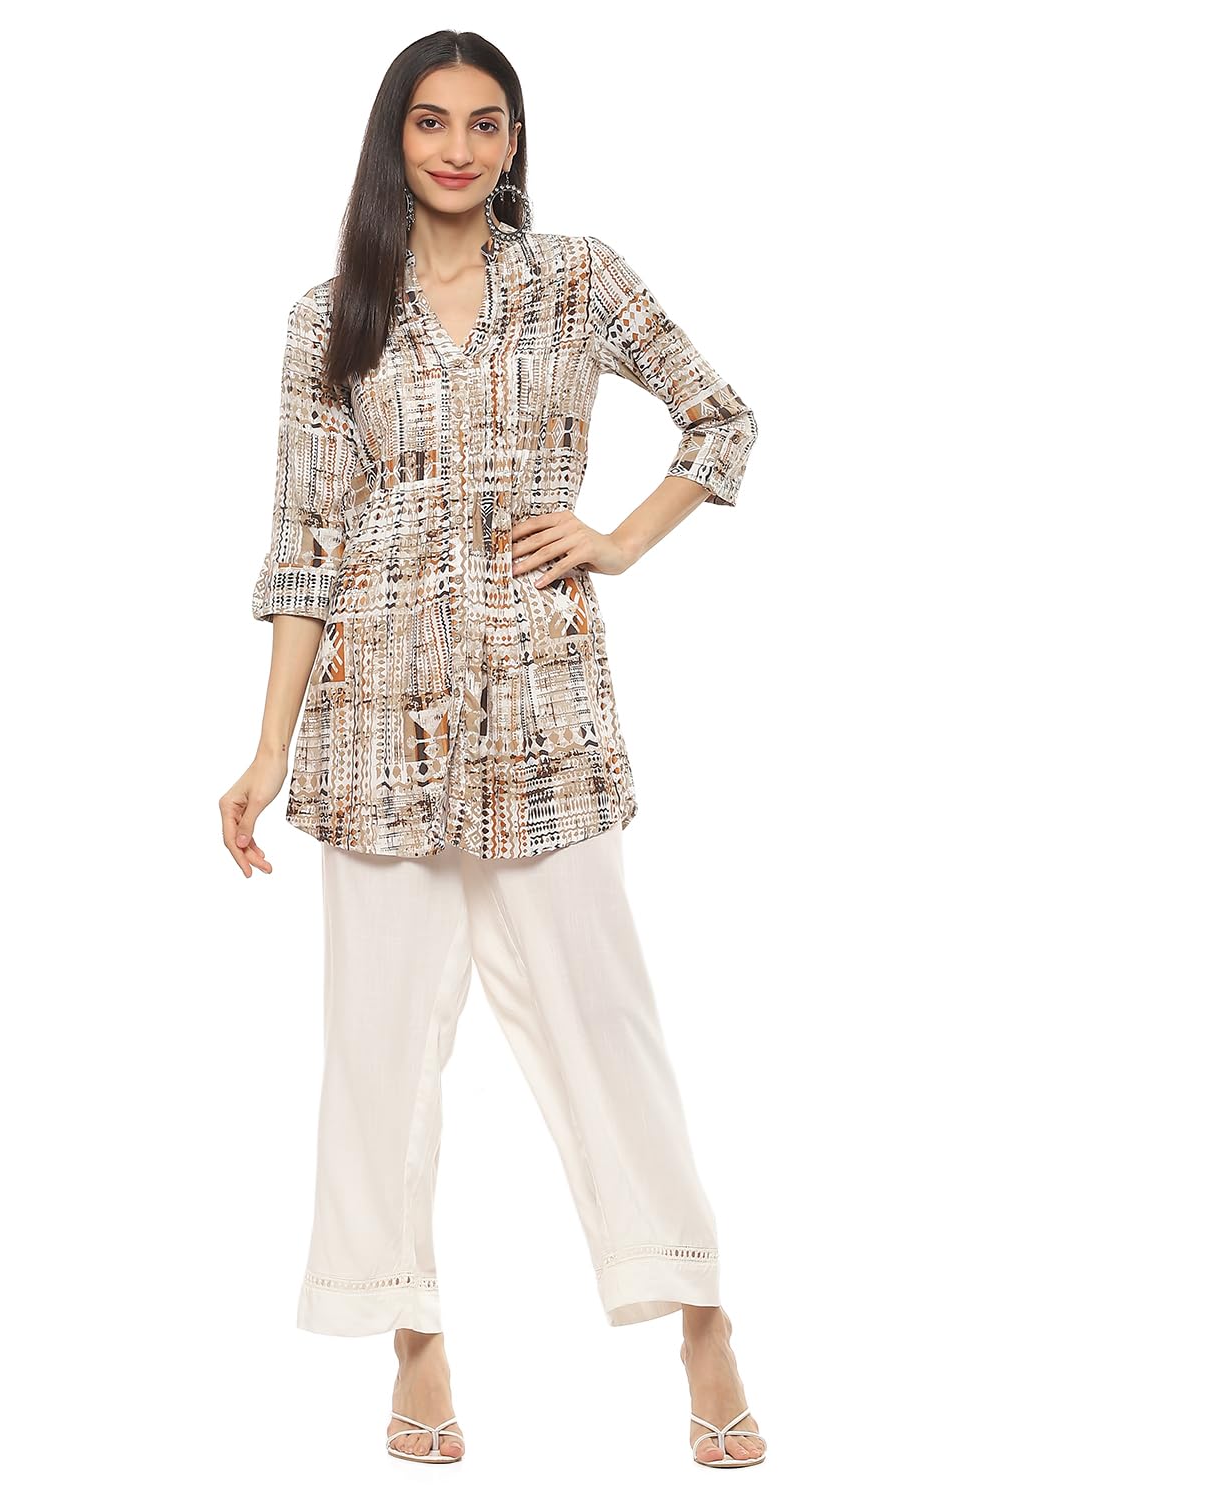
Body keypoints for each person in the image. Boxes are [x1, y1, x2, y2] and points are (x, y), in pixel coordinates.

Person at [221, 31, 765, 1470]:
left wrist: (618, 541)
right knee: (379, 1049)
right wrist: (266, 751)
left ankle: (701, 1316)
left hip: (544, 717)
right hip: (374, 726)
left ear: (514, 142)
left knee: (605, 1023)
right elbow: (304, 546)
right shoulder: (329, 318)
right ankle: (413, 1339)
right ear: (393, 140)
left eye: (484, 123)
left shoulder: (578, 280)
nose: (457, 147)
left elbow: (721, 417)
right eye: (430, 122)